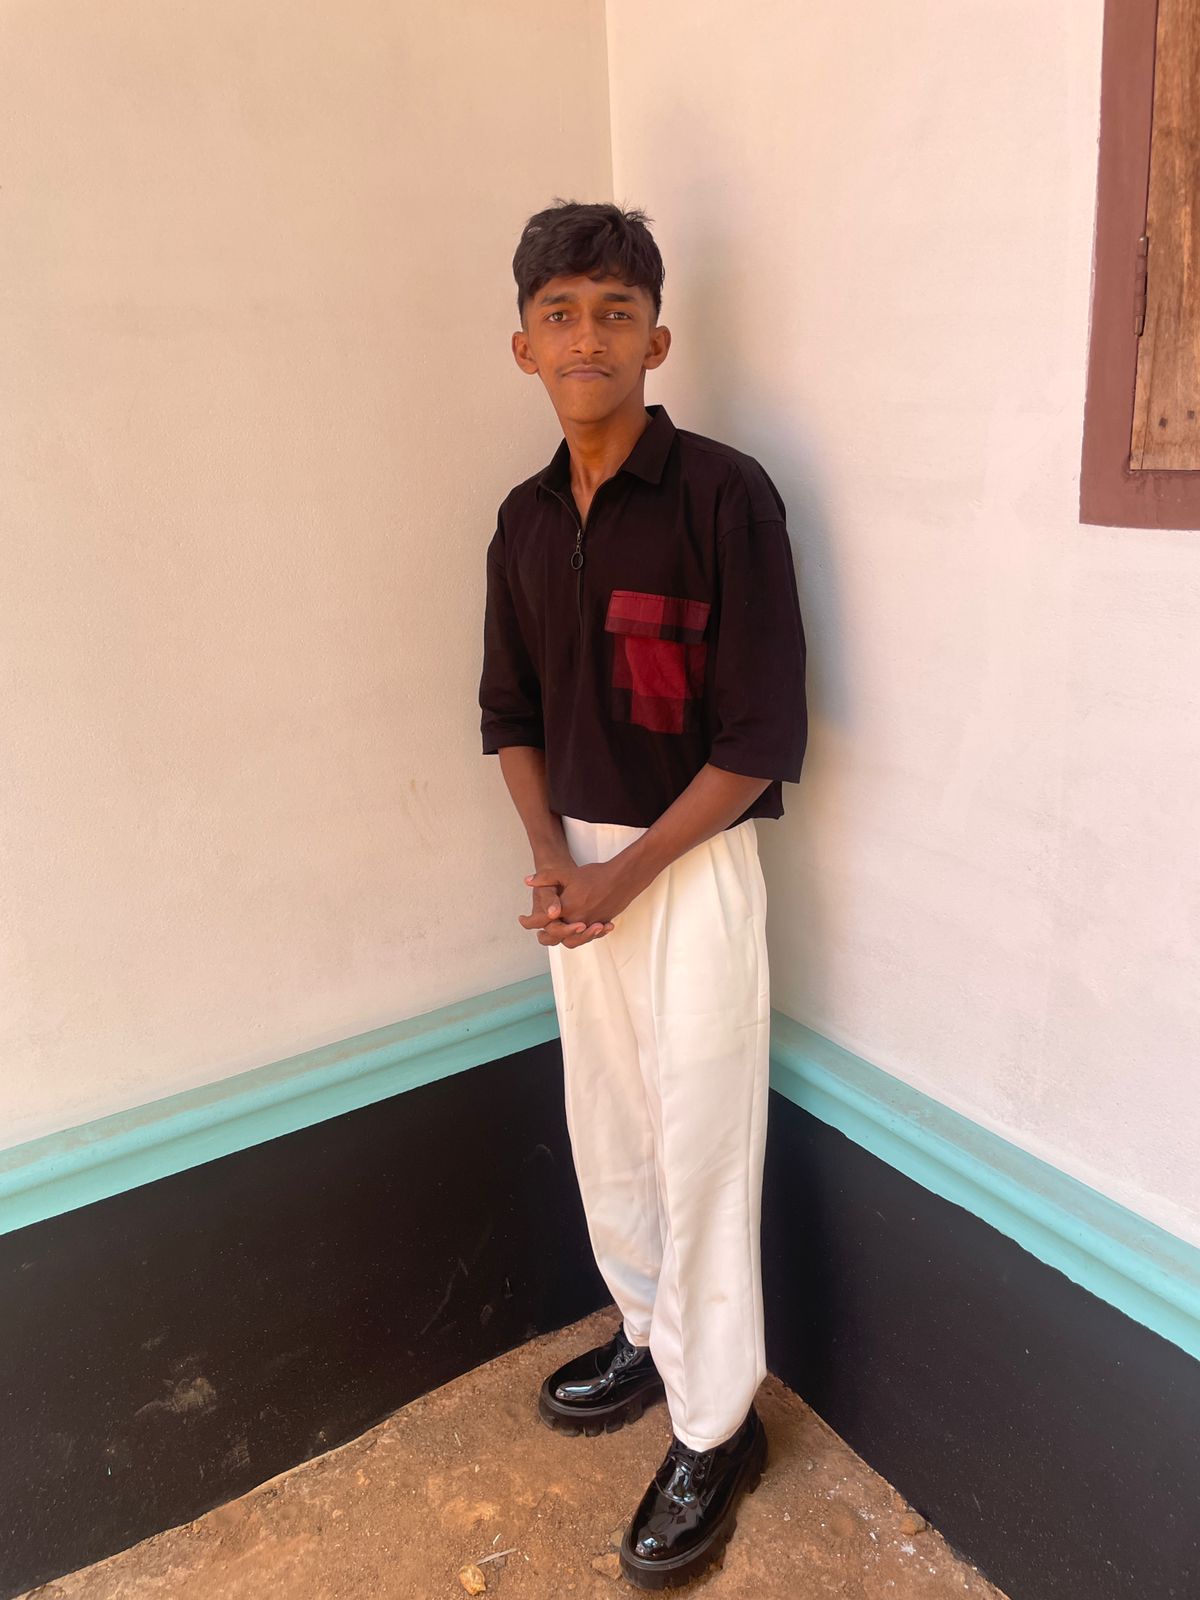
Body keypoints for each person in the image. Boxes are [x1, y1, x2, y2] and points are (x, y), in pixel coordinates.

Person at [477, 199, 807, 1590]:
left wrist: (625, 868)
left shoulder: (725, 496)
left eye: (616, 312)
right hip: (583, 874)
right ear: (523, 347)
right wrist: (554, 856)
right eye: (560, 314)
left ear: (657, 339)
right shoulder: (523, 520)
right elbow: (509, 711)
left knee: (702, 1139)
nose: (588, 336)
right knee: (606, 1118)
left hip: (691, 864)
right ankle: (646, 1330)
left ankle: (716, 1426)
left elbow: (761, 740)